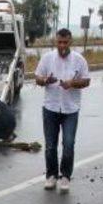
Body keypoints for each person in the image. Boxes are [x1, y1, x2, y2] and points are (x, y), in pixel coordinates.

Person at [35, 28, 90, 193]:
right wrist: (45, 80)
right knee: (50, 146)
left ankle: (65, 176)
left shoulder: (79, 60)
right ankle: (51, 176)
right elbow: (37, 78)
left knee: (68, 144)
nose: (62, 45)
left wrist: (72, 83)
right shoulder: (47, 58)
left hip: (70, 110)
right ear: (56, 41)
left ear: (70, 42)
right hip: (50, 108)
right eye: (59, 42)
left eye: (65, 42)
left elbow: (86, 81)